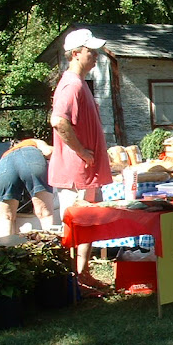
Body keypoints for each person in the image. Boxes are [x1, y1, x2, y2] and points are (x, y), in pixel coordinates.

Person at [48, 28, 113, 294]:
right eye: (91, 51)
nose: (95, 56)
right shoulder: (71, 84)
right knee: (75, 228)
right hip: (75, 174)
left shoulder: (80, 83)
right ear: (76, 54)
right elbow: (58, 121)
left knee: (87, 226)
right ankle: (72, 283)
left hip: (87, 173)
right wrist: (82, 152)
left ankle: (82, 276)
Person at [0, 138, 55, 236]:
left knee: (6, 217)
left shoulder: (7, 153)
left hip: (2, 165)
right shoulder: (33, 141)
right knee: (45, 213)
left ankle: (7, 248)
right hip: (30, 158)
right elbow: (48, 151)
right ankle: (51, 246)